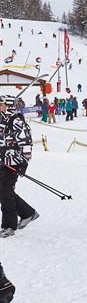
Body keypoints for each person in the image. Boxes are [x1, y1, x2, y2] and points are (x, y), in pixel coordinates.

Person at [0, 95, 38, 238]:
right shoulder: (3, 120)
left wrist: (23, 163)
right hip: (3, 161)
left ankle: (9, 226)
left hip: (14, 163)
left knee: (5, 192)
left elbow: (26, 143)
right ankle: (27, 213)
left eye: (1, 104)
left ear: (8, 105)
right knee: (4, 191)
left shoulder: (16, 122)